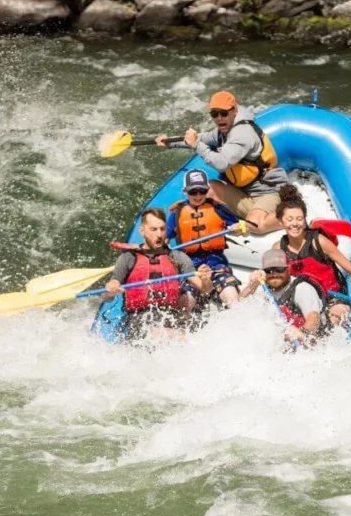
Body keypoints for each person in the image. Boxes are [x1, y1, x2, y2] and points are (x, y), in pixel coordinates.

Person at [157, 90, 287, 234]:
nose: (219, 118)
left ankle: (292, 215)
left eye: (224, 113)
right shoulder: (222, 132)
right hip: (243, 193)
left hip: (268, 192)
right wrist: (170, 142)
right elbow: (199, 138)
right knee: (208, 189)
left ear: (235, 110)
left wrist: (196, 145)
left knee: (255, 225)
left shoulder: (243, 133)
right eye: (214, 114)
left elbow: (221, 163)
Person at [103, 208, 213, 341]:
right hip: (139, 320)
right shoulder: (128, 258)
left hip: (170, 316)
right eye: (153, 229)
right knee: (176, 338)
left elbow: (204, 289)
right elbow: (106, 298)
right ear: (142, 231)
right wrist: (111, 290)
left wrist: (206, 280)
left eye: (162, 229)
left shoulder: (177, 257)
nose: (159, 234)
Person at [274, 184, 351, 326]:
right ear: (280, 221)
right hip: (304, 300)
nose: (295, 224)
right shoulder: (278, 248)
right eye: (289, 219)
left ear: (305, 219)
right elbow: (274, 280)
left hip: (332, 298)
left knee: (335, 318)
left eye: (299, 218)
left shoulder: (318, 241)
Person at [166, 169, 245, 307]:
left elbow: (239, 228)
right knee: (186, 301)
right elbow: (163, 239)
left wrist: (237, 229)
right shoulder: (177, 213)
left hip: (216, 263)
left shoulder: (218, 208)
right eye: (193, 192)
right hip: (189, 266)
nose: (198, 195)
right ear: (185, 191)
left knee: (231, 295)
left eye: (202, 191)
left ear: (207, 190)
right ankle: (182, 325)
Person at [242, 249, 323, 346]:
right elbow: (237, 307)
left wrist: (302, 331)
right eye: (269, 270)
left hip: (307, 344)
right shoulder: (263, 288)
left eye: (279, 269)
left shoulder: (302, 289)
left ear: (288, 270)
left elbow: (314, 317)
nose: (274, 274)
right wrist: (252, 285)